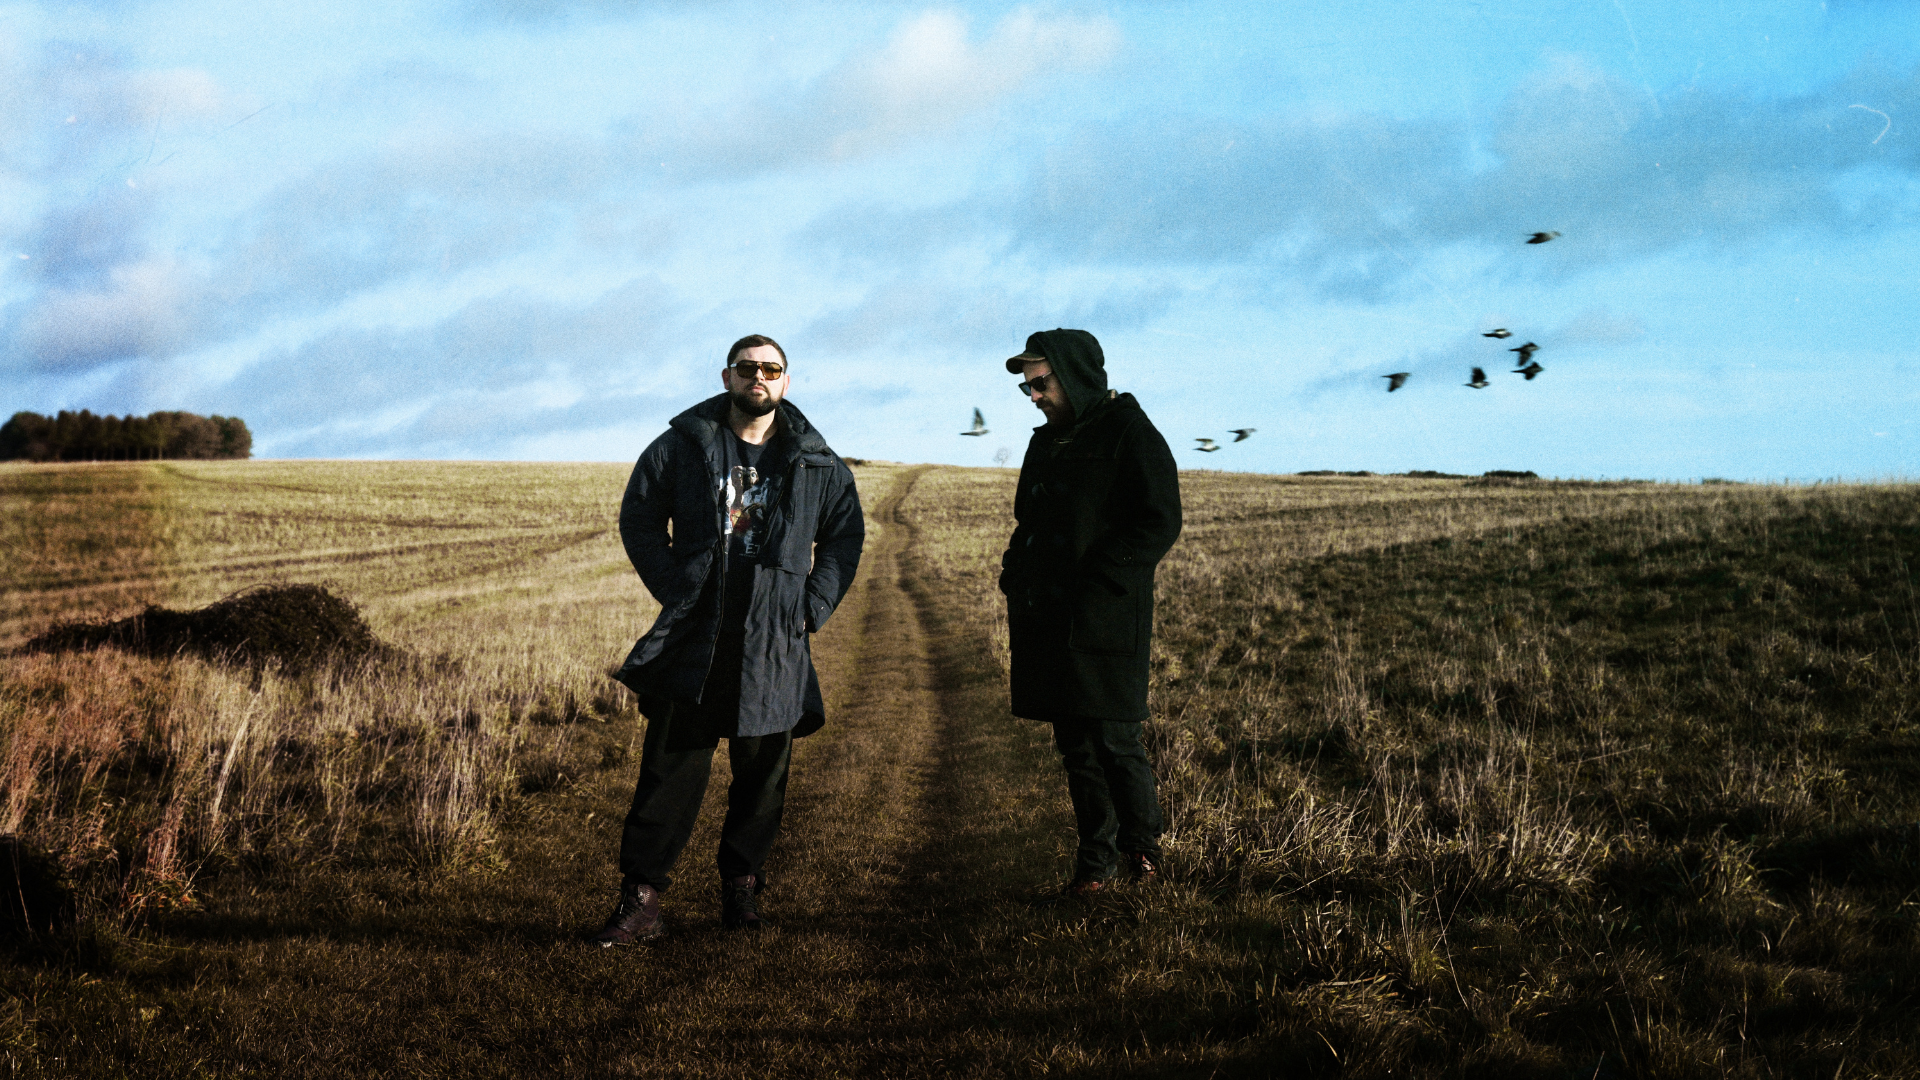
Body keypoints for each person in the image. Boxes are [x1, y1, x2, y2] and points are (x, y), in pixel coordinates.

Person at [592, 334, 864, 945]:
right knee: (670, 769)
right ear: (727, 376)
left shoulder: (817, 461)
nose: (759, 378)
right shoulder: (682, 446)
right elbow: (639, 516)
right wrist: (675, 586)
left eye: (772, 369)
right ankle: (641, 900)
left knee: (763, 774)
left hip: (773, 637)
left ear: (786, 382)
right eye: (749, 369)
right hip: (698, 634)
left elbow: (845, 538)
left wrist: (813, 604)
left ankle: (742, 890)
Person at [998, 328, 1182, 899]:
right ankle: (1094, 868)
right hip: (1048, 620)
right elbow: (1027, 520)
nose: (1034, 396)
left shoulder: (1129, 430)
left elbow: (1159, 520)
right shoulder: (1044, 442)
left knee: (1115, 741)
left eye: (1041, 383)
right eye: (1028, 388)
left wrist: (1100, 580)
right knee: (1076, 747)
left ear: (1074, 374)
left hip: (1105, 621)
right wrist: (1015, 571)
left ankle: (1144, 858)